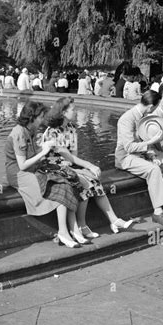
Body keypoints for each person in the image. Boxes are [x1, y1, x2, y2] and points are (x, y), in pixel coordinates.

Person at [43, 97, 134, 237]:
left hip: (68, 166)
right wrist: (89, 166)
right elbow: (67, 156)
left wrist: (81, 168)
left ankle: (113, 220)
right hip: (54, 167)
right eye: (72, 109)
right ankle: (82, 225)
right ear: (63, 112)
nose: (75, 111)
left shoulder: (71, 127)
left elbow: (74, 154)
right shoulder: (52, 131)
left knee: (95, 181)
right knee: (86, 183)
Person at [4, 101, 82, 248]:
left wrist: (46, 149)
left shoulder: (31, 130)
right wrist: (44, 151)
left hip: (33, 169)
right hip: (19, 173)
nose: (42, 120)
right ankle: (64, 232)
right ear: (31, 117)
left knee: (63, 182)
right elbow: (22, 165)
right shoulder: (19, 133)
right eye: (40, 117)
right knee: (54, 188)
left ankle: (68, 230)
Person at [115, 91, 163, 227]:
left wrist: (152, 155)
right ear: (152, 106)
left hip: (141, 155)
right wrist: (151, 142)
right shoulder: (127, 119)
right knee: (153, 169)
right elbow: (129, 147)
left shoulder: (143, 116)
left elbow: (146, 144)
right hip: (126, 157)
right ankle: (158, 212)